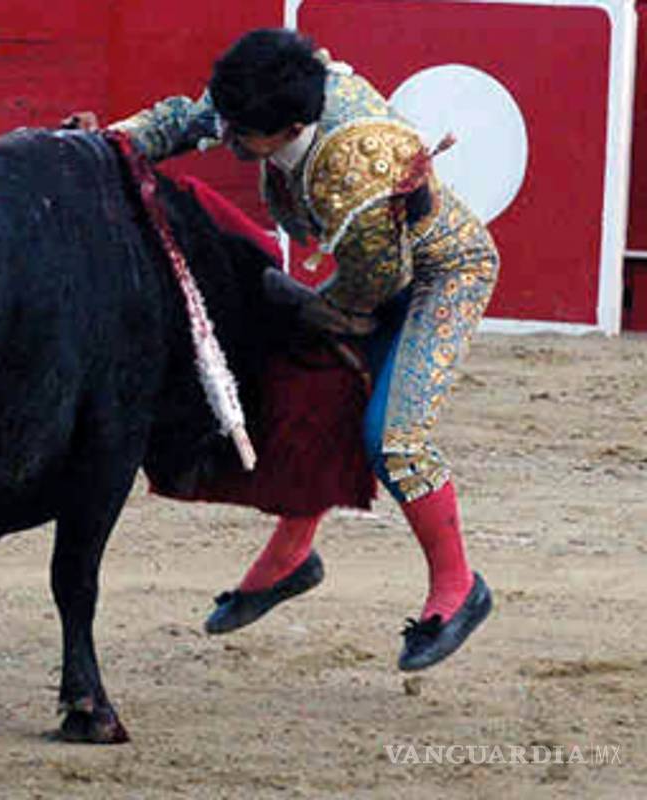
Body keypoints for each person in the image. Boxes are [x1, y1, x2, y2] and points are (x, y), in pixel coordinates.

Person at [97, 28, 498, 671]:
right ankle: (290, 560)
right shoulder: (270, 92)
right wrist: (104, 147)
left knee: (395, 438)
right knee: (305, 389)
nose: (226, 140)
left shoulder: (361, 170)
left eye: (241, 135)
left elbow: (380, 283)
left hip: (439, 276)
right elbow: (183, 120)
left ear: (288, 129)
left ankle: (459, 588)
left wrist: (309, 308)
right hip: (372, 262)